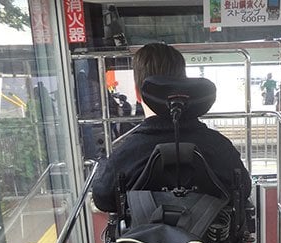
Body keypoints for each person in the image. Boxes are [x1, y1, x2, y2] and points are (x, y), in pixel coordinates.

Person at [92, 42, 251, 213]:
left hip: (145, 239)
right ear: (184, 86)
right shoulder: (219, 146)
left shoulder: (127, 152)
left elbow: (103, 199)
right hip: (209, 239)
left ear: (138, 93)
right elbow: (244, 189)